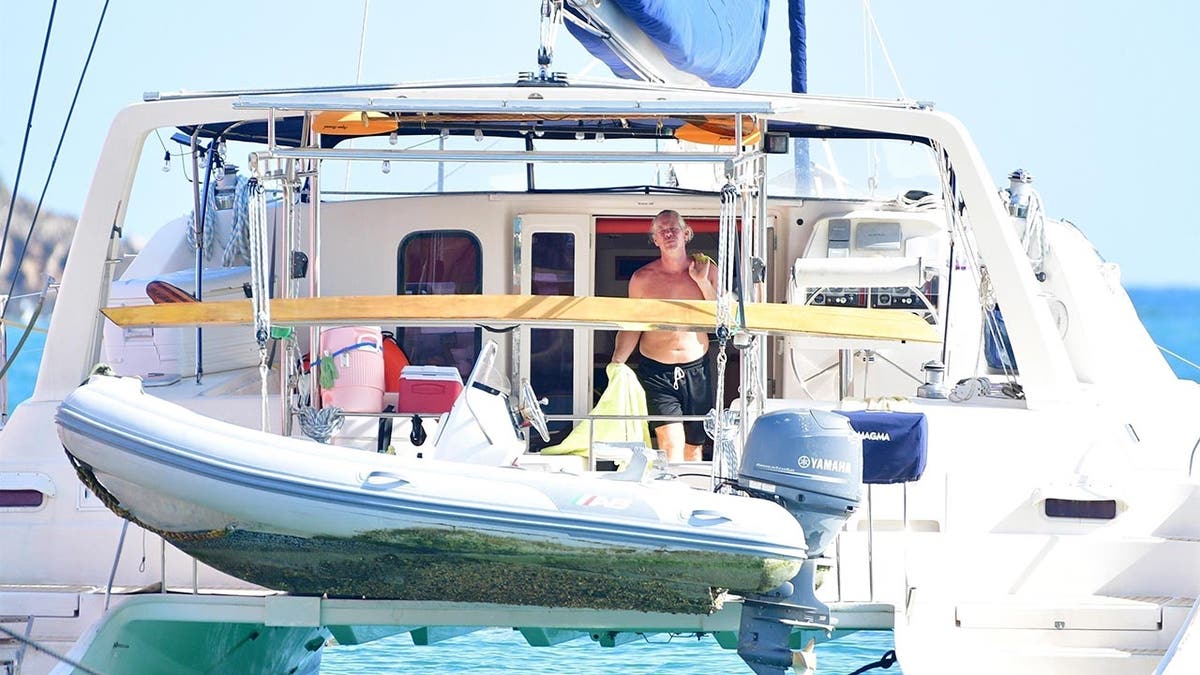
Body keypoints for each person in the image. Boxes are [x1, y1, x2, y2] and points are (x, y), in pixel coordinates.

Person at [611, 210, 718, 462]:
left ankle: (690, 497)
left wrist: (701, 281)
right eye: (662, 231)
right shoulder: (641, 279)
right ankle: (672, 496)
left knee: (694, 448)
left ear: (686, 233)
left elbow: (718, 320)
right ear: (655, 239)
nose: (669, 234)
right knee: (671, 444)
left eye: (674, 229)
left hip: (697, 371)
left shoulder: (707, 269)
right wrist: (616, 363)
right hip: (657, 372)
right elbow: (632, 325)